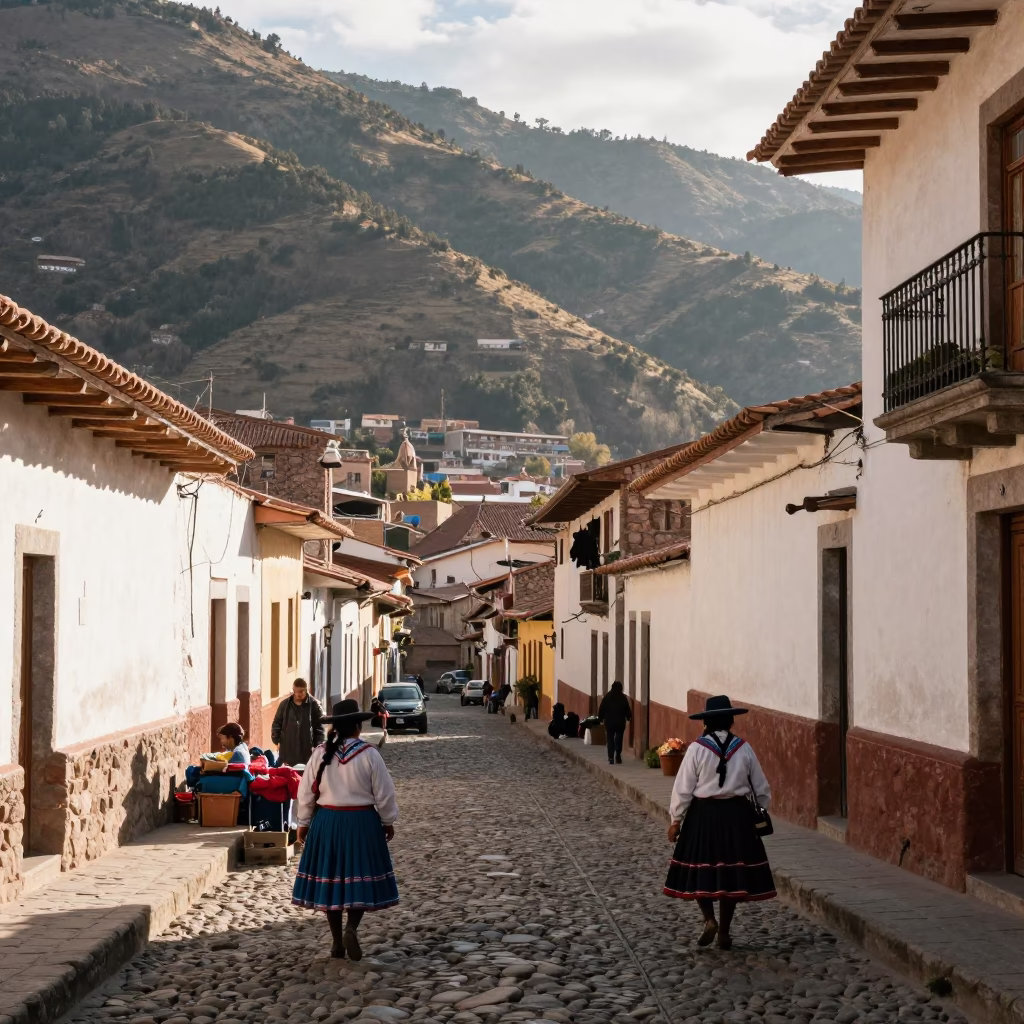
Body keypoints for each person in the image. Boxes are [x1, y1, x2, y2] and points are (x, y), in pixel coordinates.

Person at [664, 695, 775, 950]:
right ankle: (724, 931)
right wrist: (759, 812)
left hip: (703, 816)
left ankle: (709, 919)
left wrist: (676, 819)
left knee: (700, 869)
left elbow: (683, 788)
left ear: (707, 723)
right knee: (731, 874)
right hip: (737, 818)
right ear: (730, 721)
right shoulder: (744, 748)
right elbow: (761, 788)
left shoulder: (696, 749)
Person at [292, 698, 399, 961]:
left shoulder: (319, 753)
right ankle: (352, 927)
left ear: (336, 727)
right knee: (357, 878)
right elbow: (384, 794)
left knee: (332, 881)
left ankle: (337, 942)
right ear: (357, 727)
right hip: (362, 823)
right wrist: (387, 820)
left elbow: (305, 793)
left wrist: (303, 823)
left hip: (327, 822)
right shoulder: (370, 754)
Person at [271, 678, 325, 767]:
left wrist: (318, 746)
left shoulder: (315, 705)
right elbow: (277, 722)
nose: (299, 694)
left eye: (301, 691)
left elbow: (320, 727)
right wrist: (276, 739)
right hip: (287, 749)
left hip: (307, 750)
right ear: (293, 690)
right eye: (296, 691)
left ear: (306, 690)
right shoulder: (284, 705)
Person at [597, 680, 632, 765]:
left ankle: (611, 757)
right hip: (620, 721)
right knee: (619, 738)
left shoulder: (607, 697)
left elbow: (602, 708)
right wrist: (628, 717)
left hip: (609, 722)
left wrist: (600, 718)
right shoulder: (623, 697)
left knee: (610, 738)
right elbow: (627, 708)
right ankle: (618, 755)